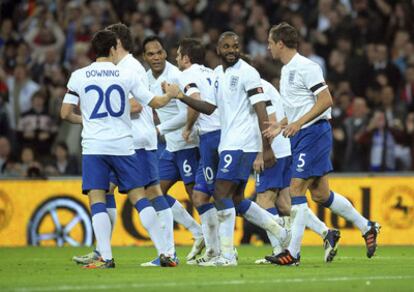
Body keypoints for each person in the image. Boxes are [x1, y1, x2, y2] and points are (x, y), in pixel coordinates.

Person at [264, 22, 380, 266]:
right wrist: (281, 125)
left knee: (295, 189)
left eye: (270, 43)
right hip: (300, 134)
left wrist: (299, 123)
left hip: (313, 133)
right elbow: (301, 107)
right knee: (320, 194)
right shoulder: (286, 71)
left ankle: (292, 253)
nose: (268, 47)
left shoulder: (307, 67)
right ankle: (367, 226)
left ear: (280, 43)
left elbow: (326, 100)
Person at [60, 30, 179, 269]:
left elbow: (64, 113)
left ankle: (105, 256)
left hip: (94, 146)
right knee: (139, 197)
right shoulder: (126, 74)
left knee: (98, 198)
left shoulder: (78, 76)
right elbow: (153, 102)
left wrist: (86, 120)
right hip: (124, 145)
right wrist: (170, 94)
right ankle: (165, 252)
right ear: (114, 48)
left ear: (95, 50)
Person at [174, 32, 289, 266]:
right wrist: (180, 97)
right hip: (229, 142)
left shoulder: (248, 73)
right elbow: (209, 108)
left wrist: (265, 148)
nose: (231, 50)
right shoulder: (218, 75)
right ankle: (279, 230)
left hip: (242, 143)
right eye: (226, 46)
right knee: (235, 198)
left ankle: (227, 256)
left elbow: (261, 111)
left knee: (220, 192)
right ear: (217, 49)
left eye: (235, 46)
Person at [254, 78, 340, 264]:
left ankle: (280, 250)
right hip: (284, 146)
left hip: (274, 148)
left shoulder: (255, 86)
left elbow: (271, 120)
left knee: (264, 200)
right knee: (285, 204)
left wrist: (262, 152)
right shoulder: (264, 85)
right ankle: (327, 233)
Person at [142, 35, 204, 264]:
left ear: (165, 53)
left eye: (159, 52)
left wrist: (160, 128)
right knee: (154, 193)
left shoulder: (177, 75)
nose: (156, 57)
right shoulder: (145, 78)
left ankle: (218, 247)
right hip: (171, 147)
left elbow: (187, 112)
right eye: (151, 53)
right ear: (145, 57)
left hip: (188, 143)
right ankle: (196, 233)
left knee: (198, 198)